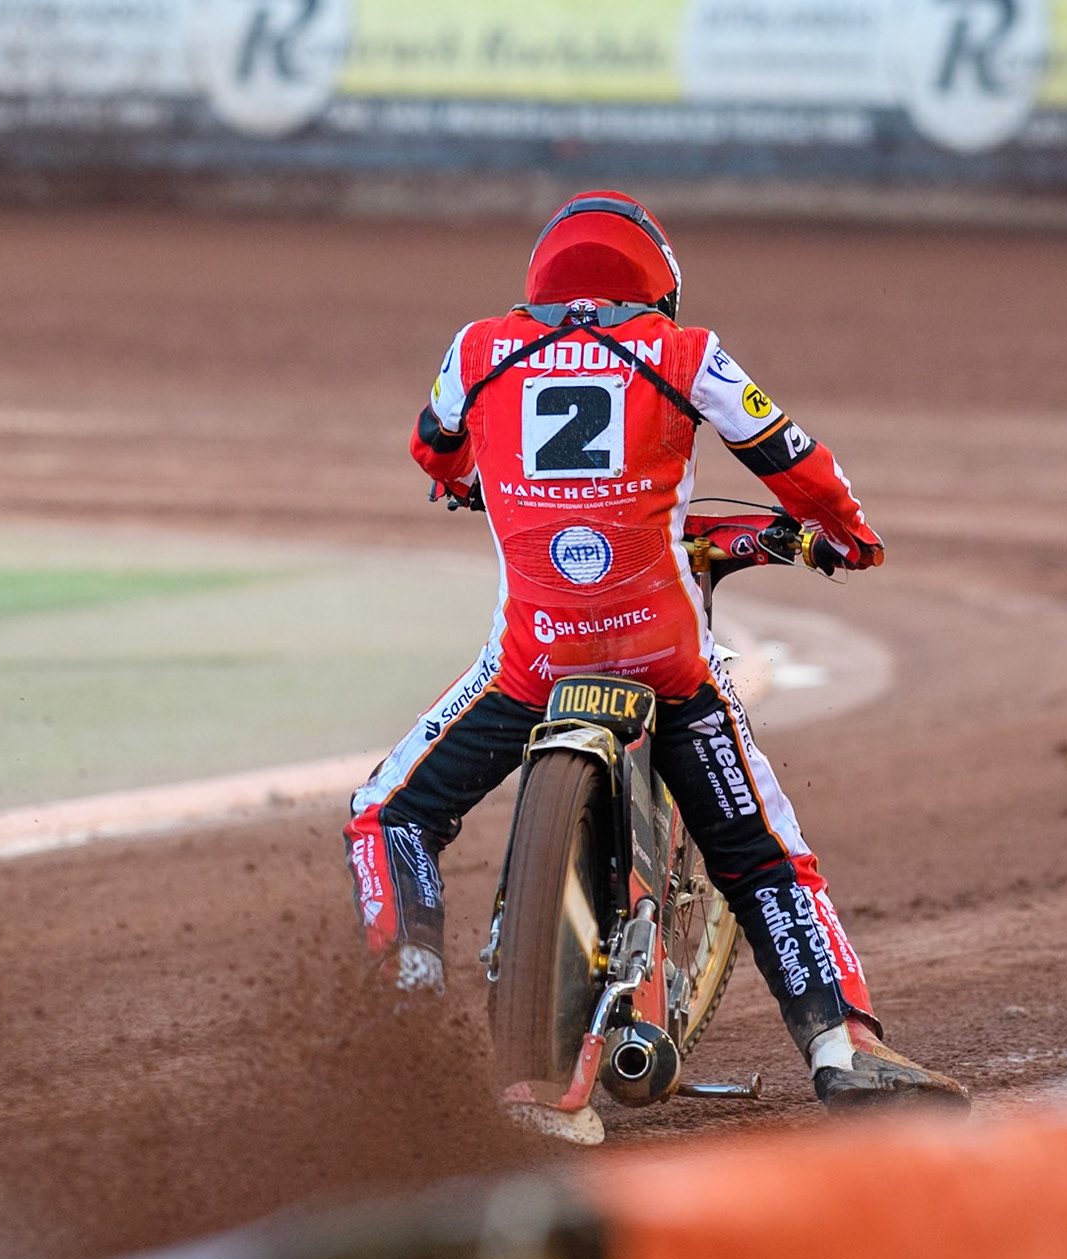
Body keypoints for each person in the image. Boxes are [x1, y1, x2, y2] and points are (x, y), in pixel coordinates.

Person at [344, 191, 968, 1114]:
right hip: (667, 665)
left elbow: (434, 452)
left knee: (386, 814)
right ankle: (843, 1046)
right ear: (657, 290)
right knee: (765, 856)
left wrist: (473, 480)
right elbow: (792, 457)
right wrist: (848, 534)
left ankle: (410, 999)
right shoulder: (687, 352)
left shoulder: (475, 351)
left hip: (533, 666)